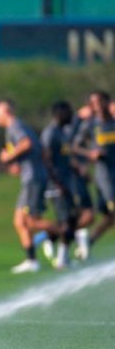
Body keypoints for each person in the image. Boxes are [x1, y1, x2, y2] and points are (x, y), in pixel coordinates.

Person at [0, 99, 62, 274]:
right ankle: (32, 260)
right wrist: (18, 164)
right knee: (20, 222)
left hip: (32, 178)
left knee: (30, 221)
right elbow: (39, 151)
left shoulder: (15, 126)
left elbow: (26, 144)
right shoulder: (19, 126)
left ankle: (67, 232)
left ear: (5, 113)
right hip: (32, 176)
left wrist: (9, 157)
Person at [73, 90, 115, 254]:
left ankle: (88, 242)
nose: (97, 106)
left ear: (107, 102)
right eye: (93, 103)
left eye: (99, 101)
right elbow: (76, 146)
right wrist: (90, 154)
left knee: (110, 216)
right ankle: (63, 234)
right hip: (104, 176)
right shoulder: (90, 125)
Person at [40, 100, 77, 269]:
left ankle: (60, 250)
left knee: (73, 217)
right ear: (59, 114)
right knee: (65, 220)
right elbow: (46, 160)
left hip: (66, 181)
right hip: (56, 184)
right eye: (68, 112)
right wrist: (56, 183)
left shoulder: (64, 132)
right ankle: (61, 257)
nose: (71, 115)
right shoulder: (50, 133)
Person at [65, 104, 94, 260]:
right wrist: (80, 165)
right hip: (73, 176)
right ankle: (52, 235)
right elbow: (69, 148)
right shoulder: (74, 125)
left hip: (80, 175)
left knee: (86, 214)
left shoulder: (89, 124)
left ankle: (55, 235)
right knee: (86, 213)